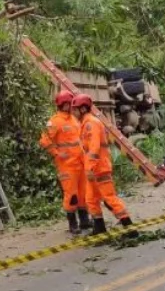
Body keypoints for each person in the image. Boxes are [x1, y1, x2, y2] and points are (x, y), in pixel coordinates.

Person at [71, 94, 137, 237]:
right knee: (91, 199)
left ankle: (130, 228)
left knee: (109, 198)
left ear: (83, 109)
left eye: (75, 109)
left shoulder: (91, 123)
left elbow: (94, 148)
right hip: (93, 169)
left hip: (99, 168)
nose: (73, 112)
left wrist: (90, 167)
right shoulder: (85, 123)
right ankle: (99, 227)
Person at [40, 90, 91, 234]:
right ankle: (73, 224)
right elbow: (44, 140)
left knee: (83, 193)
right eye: (69, 103)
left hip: (80, 163)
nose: (71, 106)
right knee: (71, 195)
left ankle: (84, 221)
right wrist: (56, 153)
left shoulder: (74, 119)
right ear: (62, 104)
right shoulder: (55, 121)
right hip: (66, 165)